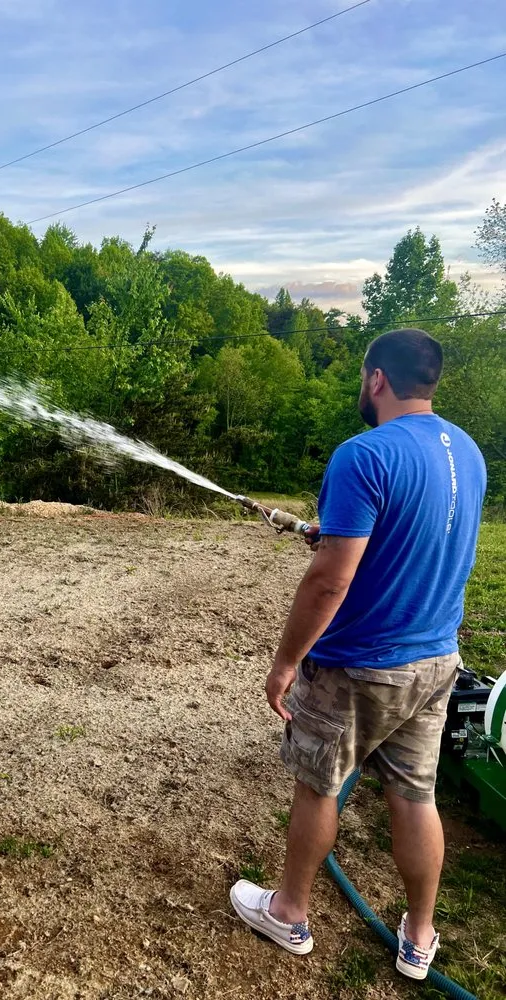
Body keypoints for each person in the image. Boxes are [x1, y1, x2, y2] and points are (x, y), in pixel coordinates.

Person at [230, 328, 487, 981]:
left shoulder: (362, 454)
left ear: (376, 378)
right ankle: (419, 936)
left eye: (362, 375)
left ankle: (288, 912)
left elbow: (329, 580)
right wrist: (331, 534)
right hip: (436, 662)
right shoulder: (468, 451)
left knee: (318, 785)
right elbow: (416, 537)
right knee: (414, 794)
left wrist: (286, 661)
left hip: (358, 668)